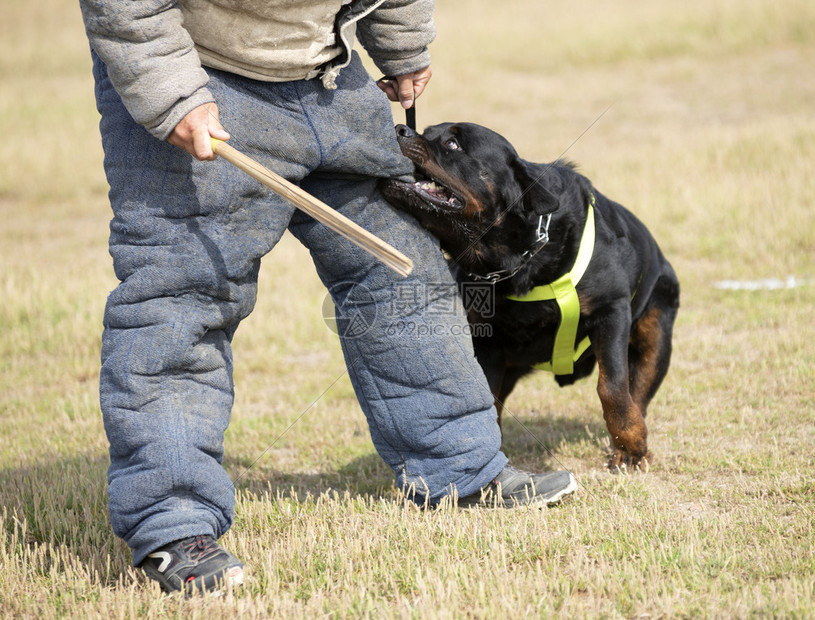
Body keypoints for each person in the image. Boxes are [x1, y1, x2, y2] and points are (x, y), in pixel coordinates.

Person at [78, 0, 578, 594]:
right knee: (183, 299)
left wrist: (401, 44)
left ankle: (460, 471)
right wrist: (170, 91)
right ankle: (171, 527)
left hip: (327, 77)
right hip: (198, 78)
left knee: (404, 273)